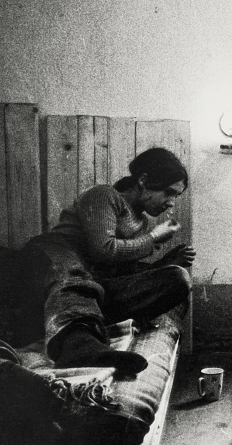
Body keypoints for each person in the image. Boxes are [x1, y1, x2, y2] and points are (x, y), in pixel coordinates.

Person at [23, 147, 194, 374]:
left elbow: (115, 274)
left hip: (92, 283)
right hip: (55, 257)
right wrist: (152, 239)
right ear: (144, 180)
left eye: (176, 196)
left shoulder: (139, 221)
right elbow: (103, 251)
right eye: (168, 192)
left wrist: (163, 264)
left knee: (177, 278)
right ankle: (78, 346)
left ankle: (86, 329)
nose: (171, 202)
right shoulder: (104, 195)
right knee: (76, 276)